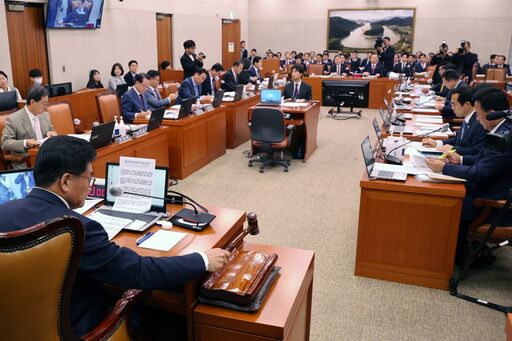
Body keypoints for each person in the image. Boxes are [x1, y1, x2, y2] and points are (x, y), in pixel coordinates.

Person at [0, 135, 230, 337]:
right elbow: (139, 272)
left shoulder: (5, 211)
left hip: (12, 325)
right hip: (76, 327)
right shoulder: (76, 229)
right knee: (163, 313)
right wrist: (203, 259)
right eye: (89, 178)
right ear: (66, 181)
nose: (90, 186)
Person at [425, 87, 512, 265]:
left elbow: (480, 172)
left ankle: (452, 259)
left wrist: (444, 169)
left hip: (493, 203)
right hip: (488, 186)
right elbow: (483, 160)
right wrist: (460, 160)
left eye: (479, 115)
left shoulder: (505, 138)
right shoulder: (501, 128)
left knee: (447, 200)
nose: (478, 120)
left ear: (492, 114)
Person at [1, 86, 57, 169]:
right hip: (26, 161)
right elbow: (5, 143)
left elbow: (52, 130)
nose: (46, 107)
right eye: (43, 104)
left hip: (47, 157)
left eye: (47, 103)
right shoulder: (14, 119)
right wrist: (25, 143)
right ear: (32, 102)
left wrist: (52, 133)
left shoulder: (45, 115)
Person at [422, 87, 485, 156]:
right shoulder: (469, 117)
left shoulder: (479, 122)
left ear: (467, 104)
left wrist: (453, 149)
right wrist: (437, 143)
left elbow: (475, 151)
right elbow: (458, 139)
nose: (452, 108)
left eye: (454, 104)